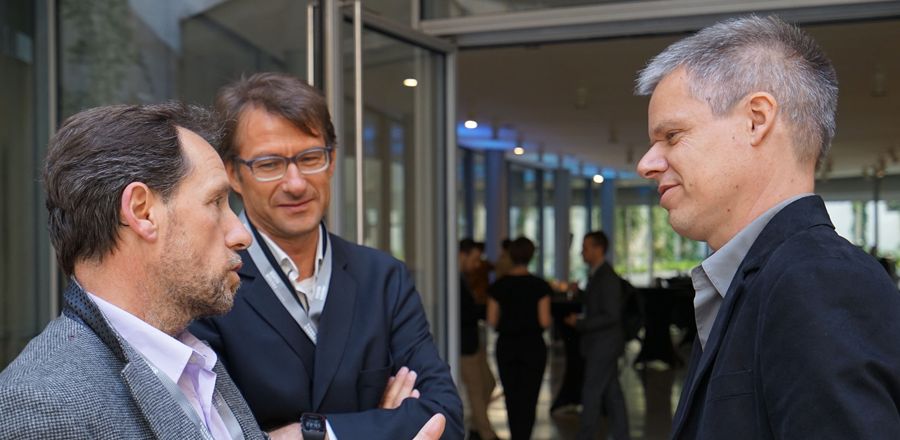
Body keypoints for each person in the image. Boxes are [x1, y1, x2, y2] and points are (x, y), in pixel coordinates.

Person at [0, 102, 448, 440]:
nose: (241, 233)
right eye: (216, 202)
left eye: (310, 157)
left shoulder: (194, 362)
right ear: (142, 211)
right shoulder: (44, 403)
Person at [635, 15, 900, 439]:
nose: (646, 164)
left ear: (757, 119)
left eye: (672, 135)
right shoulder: (766, 279)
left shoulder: (818, 281)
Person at [189, 72, 463, 439]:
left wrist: (314, 433)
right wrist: (381, 424)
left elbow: (444, 418)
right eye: (269, 164)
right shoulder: (205, 283)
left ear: (332, 161)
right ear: (233, 175)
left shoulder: (382, 278)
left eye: (310, 157)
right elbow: (210, 431)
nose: (296, 182)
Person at [565, 231, 630, 440]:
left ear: (598, 249)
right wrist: (581, 294)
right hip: (603, 344)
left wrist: (580, 323)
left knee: (592, 392)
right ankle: (621, 435)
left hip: (604, 345)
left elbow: (611, 315)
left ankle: (585, 435)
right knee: (612, 393)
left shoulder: (607, 277)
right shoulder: (598, 274)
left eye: (585, 247)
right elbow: (600, 304)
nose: (582, 252)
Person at [487, 237, 552, 440]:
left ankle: (515, 436)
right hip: (533, 347)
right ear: (531, 256)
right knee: (529, 398)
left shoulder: (498, 285)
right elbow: (544, 321)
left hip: (507, 346)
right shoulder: (539, 286)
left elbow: (491, 319)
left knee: (512, 398)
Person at [458, 239, 499, 440]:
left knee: (488, 383)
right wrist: (481, 310)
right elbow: (464, 313)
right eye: (474, 259)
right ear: (462, 255)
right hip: (465, 346)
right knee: (476, 391)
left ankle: (476, 427)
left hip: (474, 344)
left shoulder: (463, 278)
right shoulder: (452, 281)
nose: (477, 265)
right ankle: (486, 434)